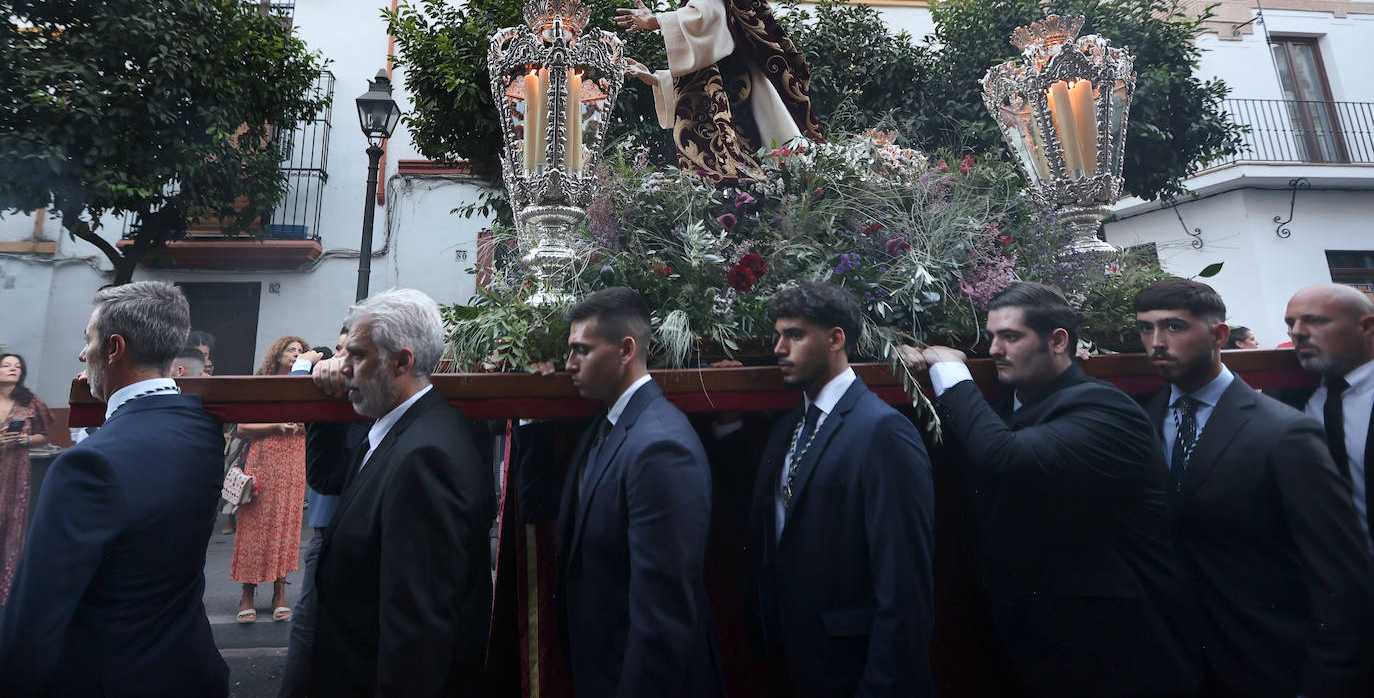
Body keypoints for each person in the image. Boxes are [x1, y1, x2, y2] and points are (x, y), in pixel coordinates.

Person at [908, 282, 1200, 698]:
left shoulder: (1105, 409)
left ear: (1058, 341)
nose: (994, 350)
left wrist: (949, 370)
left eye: (1010, 336)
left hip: (1119, 653)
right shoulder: (1003, 410)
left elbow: (1003, 455)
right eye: (991, 337)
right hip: (1029, 644)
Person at [1136, 278, 1374, 697]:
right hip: (1188, 658)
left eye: (1174, 327)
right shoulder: (1144, 419)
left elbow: (1337, 575)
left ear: (1219, 335)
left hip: (1277, 655)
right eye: (1145, 329)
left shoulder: (1282, 429)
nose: (1156, 342)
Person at [0, 282, 227, 696]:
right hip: (190, 672)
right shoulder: (203, 428)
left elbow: (33, 621)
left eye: (89, 340)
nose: (82, 355)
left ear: (114, 348)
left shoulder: (87, 465)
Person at [518, 287, 724, 698]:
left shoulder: (659, 447)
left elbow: (662, 617)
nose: (568, 363)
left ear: (626, 349)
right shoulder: (605, 429)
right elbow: (537, 504)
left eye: (581, 351)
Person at [746, 282, 935, 697]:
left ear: (835, 339)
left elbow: (903, 589)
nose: (779, 348)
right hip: (799, 664)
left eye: (794, 335)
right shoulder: (789, 427)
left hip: (859, 671)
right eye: (778, 335)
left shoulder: (882, 431)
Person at [306, 289, 492, 697]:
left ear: (402, 360)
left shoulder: (424, 457)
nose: (344, 368)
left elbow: (417, 631)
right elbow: (329, 478)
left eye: (357, 355)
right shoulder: (400, 432)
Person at [618, 0, 822, 183]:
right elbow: (703, 68)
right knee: (762, 169)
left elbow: (707, 19)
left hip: (739, 84)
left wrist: (656, 21)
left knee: (761, 163)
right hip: (729, 83)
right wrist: (656, 79)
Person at [277, 330, 366, 698]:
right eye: (341, 347)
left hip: (362, 523)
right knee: (310, 623)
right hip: (327, 528)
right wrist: (307, 364)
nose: (344, 356)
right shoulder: (325, 383)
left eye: (354, 350)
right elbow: (291, 402)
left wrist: (306, 364)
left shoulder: (368, 390)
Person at [1286, 283, 1374, 553]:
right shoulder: (1289, 394)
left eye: (1315, 321)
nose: (1297, 333)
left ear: (1366, 327)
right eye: (1291, 323)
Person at [231, 335, 309, 623]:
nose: (295, 354)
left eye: (300, 351)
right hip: (263, 459)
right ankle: (247, 593)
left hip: (293, 461)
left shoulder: (305, 386)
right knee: (255, 526)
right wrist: (276, 425)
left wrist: (303, 426)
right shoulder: (261, 384)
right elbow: (242, 426)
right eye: (291, 350)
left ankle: (280, 593)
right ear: (277, 355)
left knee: (286, 526)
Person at [0, 353, 53, 605]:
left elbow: (45, 436)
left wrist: (25, 440)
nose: (12, 370)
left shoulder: (31, 402)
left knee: (12, 527)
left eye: (18, 366)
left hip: (15, 473)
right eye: (6, 365)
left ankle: (8, 591)